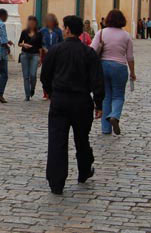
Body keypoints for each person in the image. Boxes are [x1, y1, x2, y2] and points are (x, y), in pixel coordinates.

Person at [40, 15, 104, 195]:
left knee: (57, 141)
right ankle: (84, 170)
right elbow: (97, 80)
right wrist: (99, 102)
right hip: (82, 101)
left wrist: (50, 92)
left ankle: (56, 181)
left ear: (67, 29)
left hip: (60, 100)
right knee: (82, 139)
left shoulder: (55, 51)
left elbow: (45, 75)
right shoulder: (88, 53)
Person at [90, 9, 135, 136]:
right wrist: (132, 72)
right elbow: (130, 57)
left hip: (103, 66)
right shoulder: (126, 36)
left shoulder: (101, 32)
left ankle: (105, 129)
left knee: (106, 97)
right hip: (119, 67)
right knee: (118, 96)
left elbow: (92, 50)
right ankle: (115, 116)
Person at [18, 16, 43, 101]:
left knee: (33, 75)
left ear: (35, 23)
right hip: (25, 54)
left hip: (35, 55)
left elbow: (40, 46)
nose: (31, 24)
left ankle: (32, 88)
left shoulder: (39, 33)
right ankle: (27, 95)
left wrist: (40, 57)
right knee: (26, 76)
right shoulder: (24, 32)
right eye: (30, 22)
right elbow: (19, 43)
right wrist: (24, 45)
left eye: (33, 22)